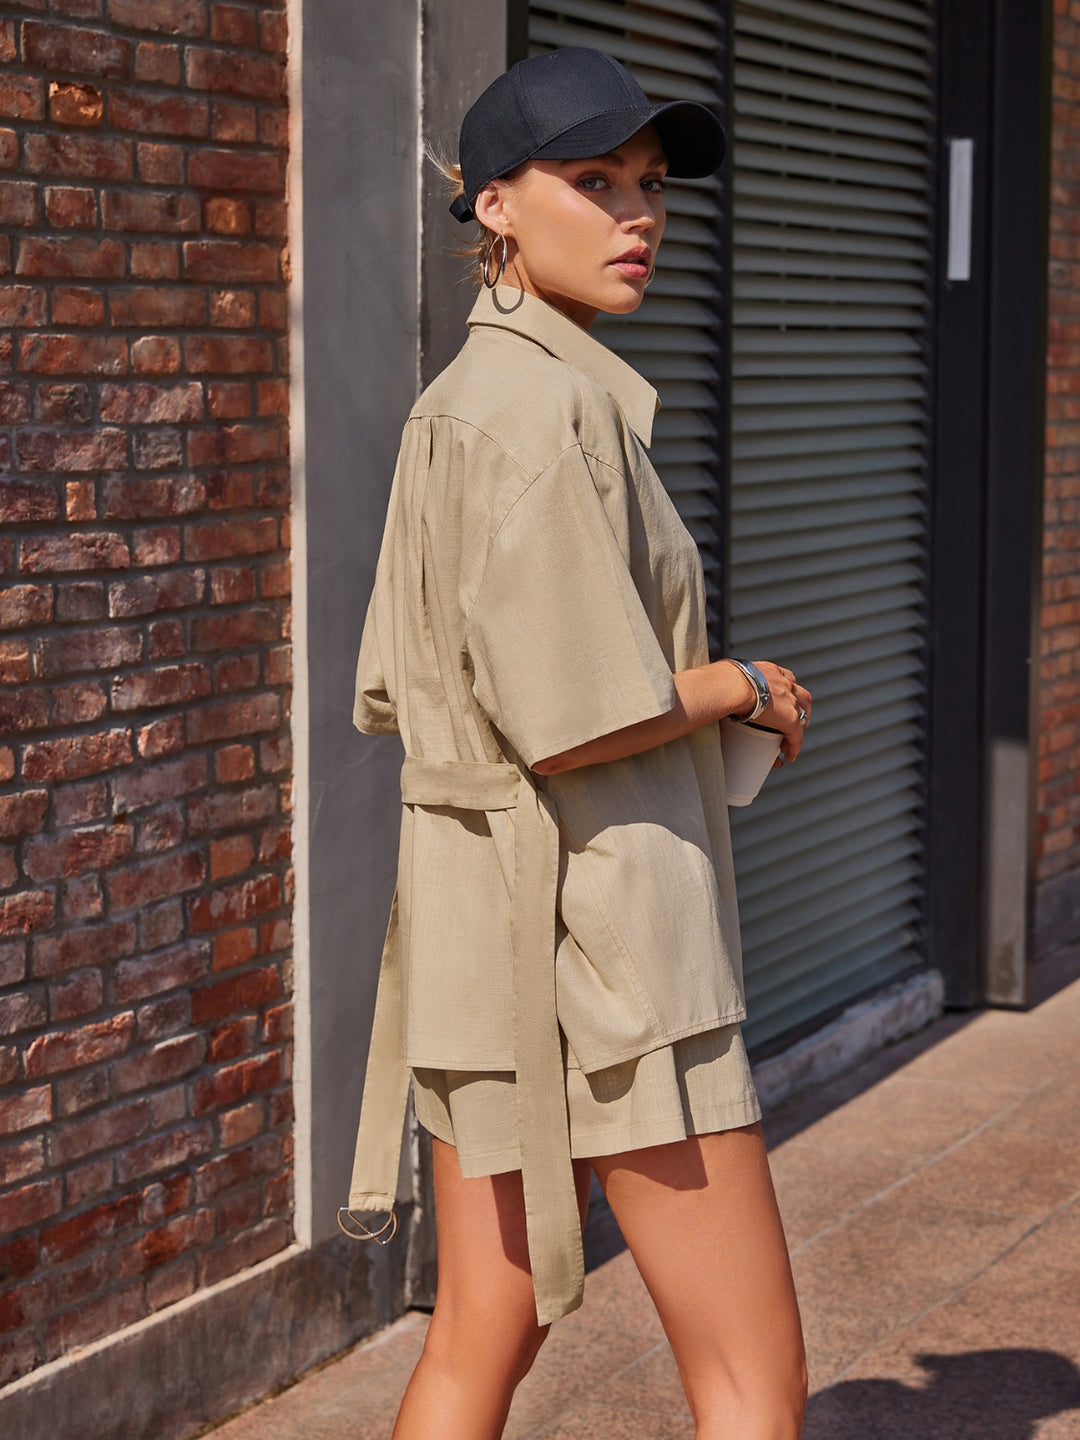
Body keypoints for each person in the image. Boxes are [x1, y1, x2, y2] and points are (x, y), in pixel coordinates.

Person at [346, 46, 811, 1440]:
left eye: (652, 187)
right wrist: (740, 686)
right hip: (610, 938)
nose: (639, 217)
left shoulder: (457, 409)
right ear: (493, 204)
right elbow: (577, 722)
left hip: (482, 938)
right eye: (594, 181)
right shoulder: (543, 414)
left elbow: (414, 691)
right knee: (748, 1373)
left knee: (483, 1335)